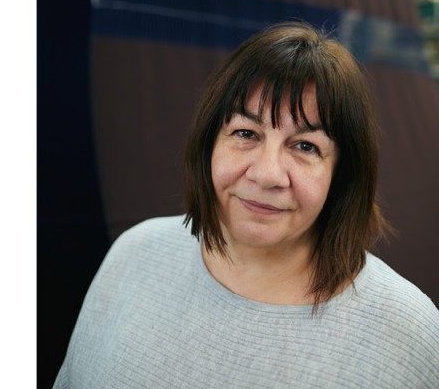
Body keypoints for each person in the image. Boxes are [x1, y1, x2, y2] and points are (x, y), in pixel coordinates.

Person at [52, 23, 439, 387]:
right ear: (209, 146)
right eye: (245, 133)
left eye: (306, 146)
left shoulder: (409, 332)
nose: (267, 174)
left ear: (342, 174)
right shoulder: (133, 255)